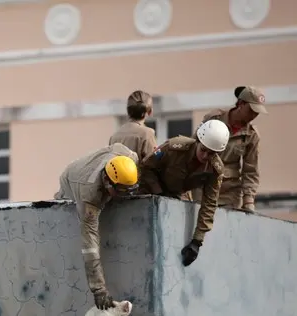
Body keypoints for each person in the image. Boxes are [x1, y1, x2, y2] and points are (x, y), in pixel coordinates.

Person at [54, 143, 139, 310]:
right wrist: (98, 289)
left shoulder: (128, 158)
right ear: (108, 183)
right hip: (72, 179)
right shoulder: (90, 197)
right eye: (121, 191)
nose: (125, 196)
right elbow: (90, 246)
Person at [138, 120, 230, 267]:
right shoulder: (175, 147)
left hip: (177, 196)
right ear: (198, 141)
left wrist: (197, 241)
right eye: (203, 150)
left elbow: (209, 204)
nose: (205, 156)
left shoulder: (215, 170)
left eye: (211, 153)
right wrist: (159, 193)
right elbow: (146, 166)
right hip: (151, 191)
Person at [194, 85, 267, 211]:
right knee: (201, 226)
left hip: (229, 193)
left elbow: (251, 170)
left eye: (257, 112)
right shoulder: (214, 119)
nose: (254, 115)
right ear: (240, 104)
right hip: (203, 186)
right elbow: (194, 147)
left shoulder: (252, 135)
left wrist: (248, 200)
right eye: (251, 110)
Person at [109, 90, 157, 163]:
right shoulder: (147, 134)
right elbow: (153, 165)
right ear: (150, 112)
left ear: (128, 111)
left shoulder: (114, 136)